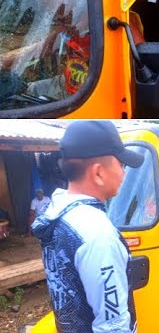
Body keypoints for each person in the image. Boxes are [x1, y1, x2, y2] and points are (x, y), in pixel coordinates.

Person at [32, 121, 144, 333]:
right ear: (98, 173)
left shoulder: (58, 213)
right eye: (121, 164)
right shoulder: (98, 235)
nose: (123, 172)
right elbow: (113, 327)